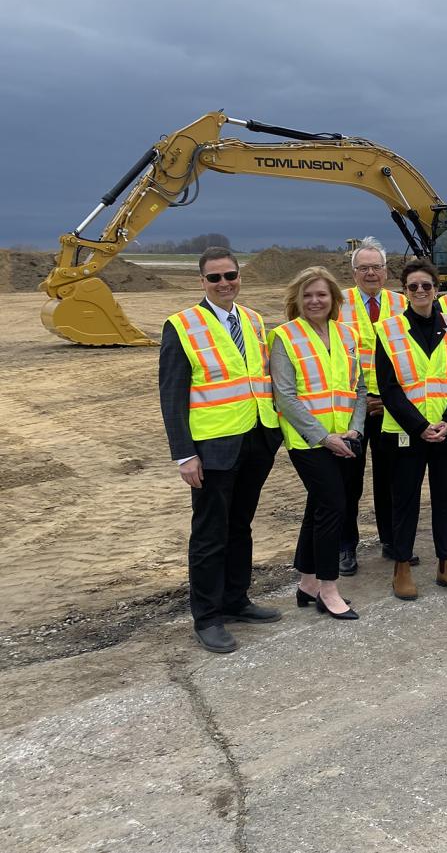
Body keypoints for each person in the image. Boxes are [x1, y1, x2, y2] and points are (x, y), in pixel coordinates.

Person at [158, 246, 282, 654]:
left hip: (256, 438)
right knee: (210, 533)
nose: (224, 283)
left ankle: (236, 599)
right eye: (215, 278)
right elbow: (172, 395)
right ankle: (207, 616)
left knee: (240, 525)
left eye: (230, 275)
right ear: (202, 282)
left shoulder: (253, 320)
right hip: (212, 448)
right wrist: (184, 453)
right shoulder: (182, 325)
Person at [376, 258, 447, 599]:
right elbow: (389, 388)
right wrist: (421, 425)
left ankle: (446, 564)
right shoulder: (388, 329)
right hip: (407, 432)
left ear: (437, 290)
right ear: (405, 291)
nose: (421, 291)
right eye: (413, 287)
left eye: (427, 286)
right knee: (405, 500)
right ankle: (402, 567)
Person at [270, 266, 366, 620]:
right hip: (310, 442)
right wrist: (324, 437)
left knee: (318, 507)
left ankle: (307, 582)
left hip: (346, 438)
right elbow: (285, 396)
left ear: (334, 300)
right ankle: (329, 587)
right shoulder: (284, 336)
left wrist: (355, 429)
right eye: (307, 295)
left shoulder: (347, 334)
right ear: (296, 299)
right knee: (333, 507)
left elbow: (358, 387)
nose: (315, 301)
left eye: (321, 294)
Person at [337, 236, 409, 575]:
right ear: (353, 273)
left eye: (376, 267)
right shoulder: (338, 304)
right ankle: (345, 546)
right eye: (363, 268)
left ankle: (393, 540)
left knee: (391, 477)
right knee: (349, 481)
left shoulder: (401, 303)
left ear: (386, 270)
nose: (370, 273)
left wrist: (392, 399)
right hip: (352, 406)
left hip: (391, 404)